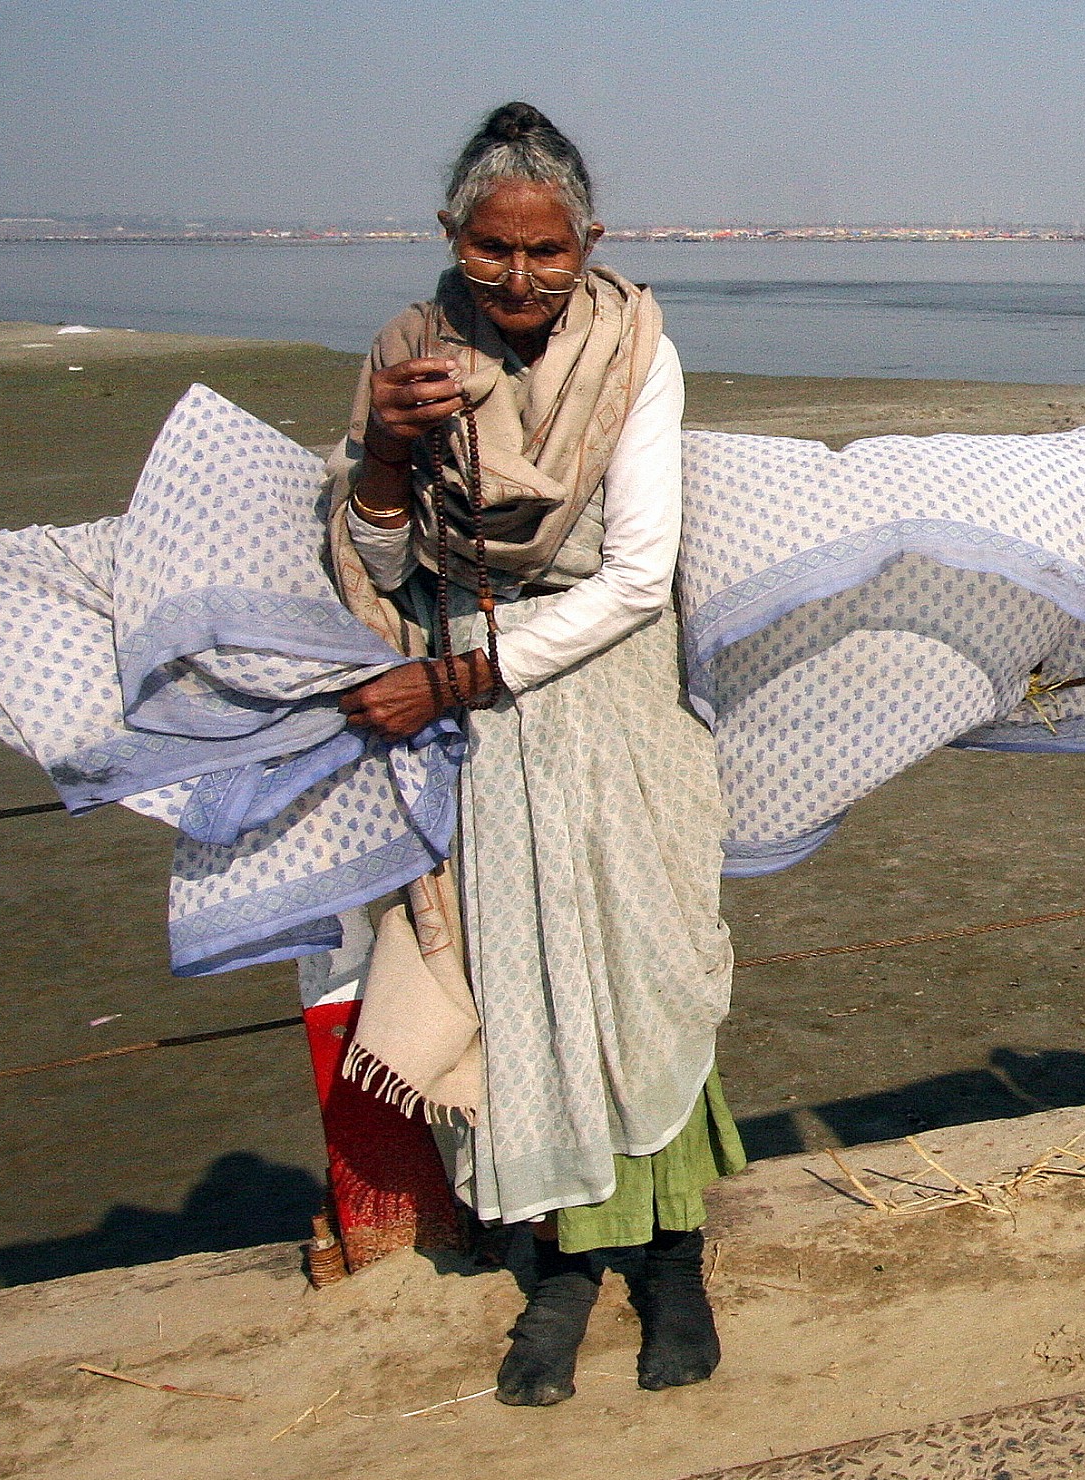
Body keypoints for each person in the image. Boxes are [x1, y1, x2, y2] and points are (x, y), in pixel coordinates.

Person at [331, 102, 742, 1407]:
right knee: (519, 974)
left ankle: (673, 1258)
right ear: (453, 239)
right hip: (483, 733)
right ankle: (561, 1263)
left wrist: (456, 671)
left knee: (642, 959)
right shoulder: (411, 353)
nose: (518, 277)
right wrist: (391, 451)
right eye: (491, 249)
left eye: (546, 251)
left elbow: (635, 577)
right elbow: (390, 564)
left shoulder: (636, 353)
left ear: (590, 243)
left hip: (610, 695)